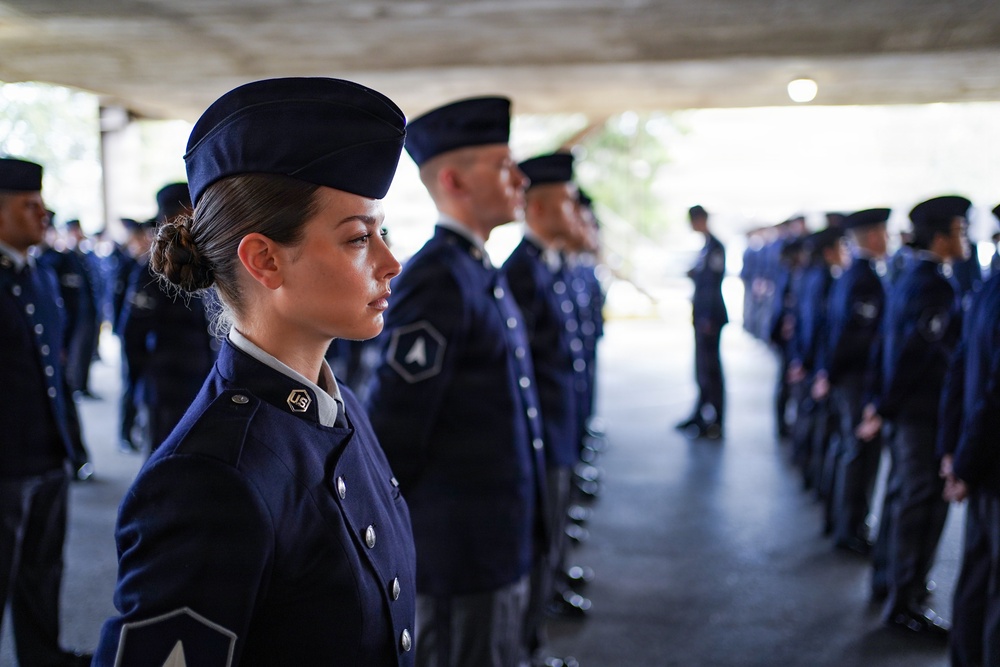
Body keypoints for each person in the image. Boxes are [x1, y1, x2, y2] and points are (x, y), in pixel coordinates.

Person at [94, 77, 417, 665]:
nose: (390, 262)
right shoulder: (207, 479)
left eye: (382, 232)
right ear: (265, 260)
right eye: (357, 238)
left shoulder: (339, 408)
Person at [365, 96, 547, 667]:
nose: (520, 179)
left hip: (494, 537)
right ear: (454, 180)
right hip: (460, 552)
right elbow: (397, 426)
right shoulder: (438, 279)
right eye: (502, 166)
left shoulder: (474, 267)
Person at [857, 195, 969, 638]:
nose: (964, 238)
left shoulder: (908, 275)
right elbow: (915, 354)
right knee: (919, 507)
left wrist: (881, 402)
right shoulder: (935, 286)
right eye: (959, 231)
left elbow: (886, 345)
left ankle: (888, 582)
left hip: (905, 410)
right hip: (923, 413)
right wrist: (885, 406)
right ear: (940, 239)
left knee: (901, 496)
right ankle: (906, 600)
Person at [0, 157, 91, 665]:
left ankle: (42, 657)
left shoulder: (40, 275)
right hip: (5, 465)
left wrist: (68, 444)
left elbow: (52, 372)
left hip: (47, 452)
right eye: (29, 205)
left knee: (42, 570)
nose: (44, 213)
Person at [503, 151, 590, 659]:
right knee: (539, 545)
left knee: (551, 533)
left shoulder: (543, 266)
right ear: (536, 208)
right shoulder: (522, 271)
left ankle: (536, 634)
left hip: (558, 425)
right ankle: (531, 648)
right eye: (566, 202)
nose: (576, 211)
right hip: (543, 432)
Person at [118, 182, 219, 455]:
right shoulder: (152, 271)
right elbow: (132, 334)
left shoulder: (207, 264)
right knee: (163, 457)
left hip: (203, 381)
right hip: (167, 387)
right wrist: (140, 385)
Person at [823, 208, 889, 555]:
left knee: (850, 451)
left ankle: (842, 523)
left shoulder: (852, 274)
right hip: (858, 379)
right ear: (873, 236)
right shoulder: (866, 279)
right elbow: (855, 337)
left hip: (847, 377)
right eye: (884, 233)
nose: (888, 239)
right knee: (859, 455)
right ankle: (850, 529)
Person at [943, 263, 1000, 666]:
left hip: (982, 462)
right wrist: (963, 462)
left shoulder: (987, 288)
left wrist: (955, 453)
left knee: (977, 575)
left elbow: (959, 370)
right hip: (989, 459)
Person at [675, 204, 728, 439]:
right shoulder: (706, 246)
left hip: (710, 317)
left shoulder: (715, 247)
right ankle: (701, 414)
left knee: (711, 370)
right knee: (702, 369)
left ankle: (715, 420)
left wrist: (707, 318)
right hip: (702, 315)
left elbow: (712, 284)